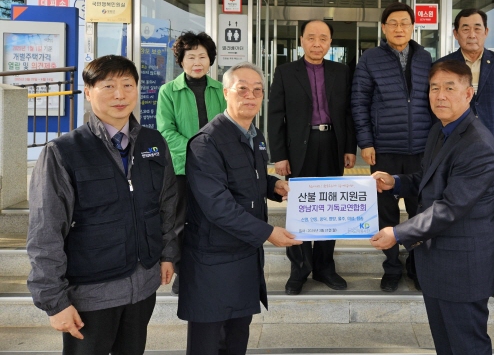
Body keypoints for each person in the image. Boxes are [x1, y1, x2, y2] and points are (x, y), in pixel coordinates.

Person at [27, 55, 178, 355]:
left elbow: (167, 204)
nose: (120, 95)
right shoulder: (63, 152)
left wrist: (168, 254)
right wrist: (54, 301)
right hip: (91, 294)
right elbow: (46, 231)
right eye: (108, 86)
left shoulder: (153, 143)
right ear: (88, 91)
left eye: (127, 85)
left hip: (143, 288)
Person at [370, 60, 494, 355]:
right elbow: (427, 179)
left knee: (467, 346)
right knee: (446, 345)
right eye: (434, 88)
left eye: (449, 88)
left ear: (468, 93)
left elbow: (450, 207)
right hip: (438, 264)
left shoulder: (477, 144)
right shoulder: (439, 131)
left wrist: (398, 233)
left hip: (463, 268)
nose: (440, 95)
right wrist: (395, 182)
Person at [177, 62, 302, 355]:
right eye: (242, 89)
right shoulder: (206, 142)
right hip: (213, 260)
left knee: (236, 339)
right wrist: (268, 232)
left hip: (245, 255)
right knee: (208, 343)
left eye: (257, 90)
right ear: (225, 93)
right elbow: (217, 205)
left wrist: (273, 185)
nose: (250, 96)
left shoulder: (255, 136)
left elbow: (248, 176)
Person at [436, 8, 494, 300]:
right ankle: (456, 270)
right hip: (454, 150)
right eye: (465, 28)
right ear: (455, 33)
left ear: (486, 32)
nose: (471, 34)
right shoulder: (444, 65)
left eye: (477, 28)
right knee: (457, 211)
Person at [268, 20, 357, 295]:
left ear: (330, 42)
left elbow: (348, 113)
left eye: (323, 38)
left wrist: (349, 148)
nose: (317, 43)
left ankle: (324, 267)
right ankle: (299, 269)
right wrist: (279, 155)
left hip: (332, 144)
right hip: (299, 149)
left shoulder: (341, 72)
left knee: (330, 207)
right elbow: (275, 116)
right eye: (311, 37)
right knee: (301, 208)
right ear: (301, 40)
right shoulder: (285, 72)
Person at [351, 2, 432, 292]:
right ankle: (392, 267)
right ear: (384, 28)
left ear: (413, 27)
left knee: (419, 211)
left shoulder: (425, 57)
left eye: (405, 23)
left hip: (421, 148)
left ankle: (417, 266)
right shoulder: (371, 58)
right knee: (386, 212)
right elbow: (359, 102)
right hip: (384, 147)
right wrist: (366, 142)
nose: (399, 28)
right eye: (393, 23)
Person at [156, 31, 226, 294]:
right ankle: (182, 273)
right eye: (191, 57)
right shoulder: (168, 91)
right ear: (181, 60)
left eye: (202, 56)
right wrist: (197, 152)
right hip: (182, 167)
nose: (197, 62)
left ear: (210, 60)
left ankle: (210, 270)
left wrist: (214, 156)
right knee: (181, 222)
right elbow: (166, 131)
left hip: (217, 168)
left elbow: (229, 126)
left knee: (214, 219)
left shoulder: (221, 90)